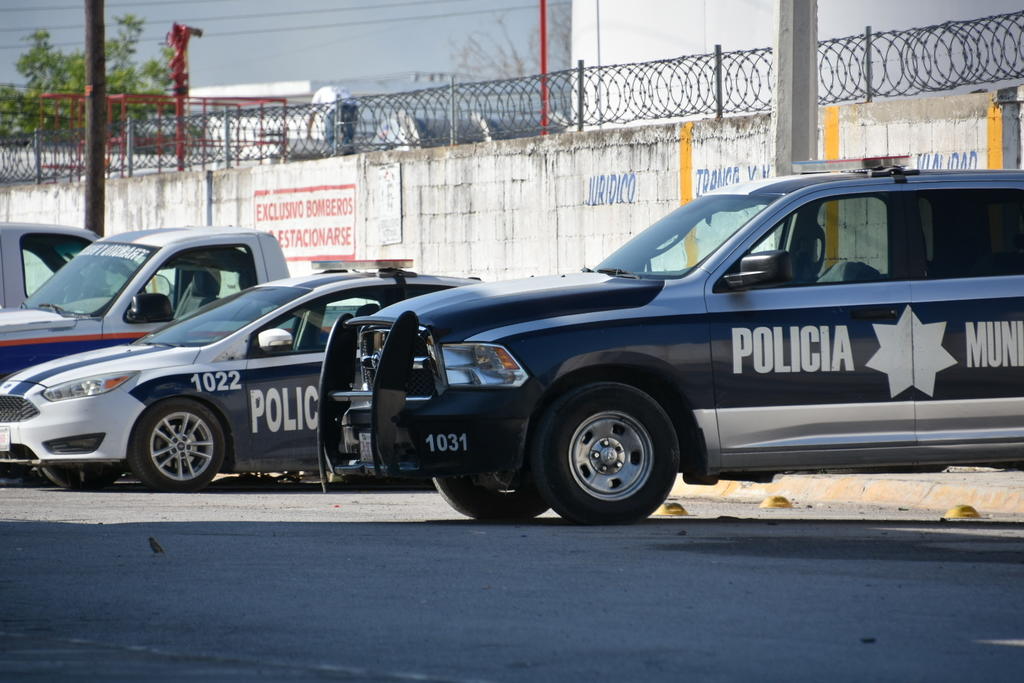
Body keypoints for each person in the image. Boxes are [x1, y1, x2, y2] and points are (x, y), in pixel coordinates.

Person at [308, 85, 358, 152]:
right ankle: (347, 147)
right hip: (350, 108)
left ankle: (338, 149)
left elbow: (312, 113)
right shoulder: (343, 88)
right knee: (348, 132)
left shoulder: (320, 92)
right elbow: (354, 105)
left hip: (334, 109)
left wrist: (308, 132)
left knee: (330, 135)